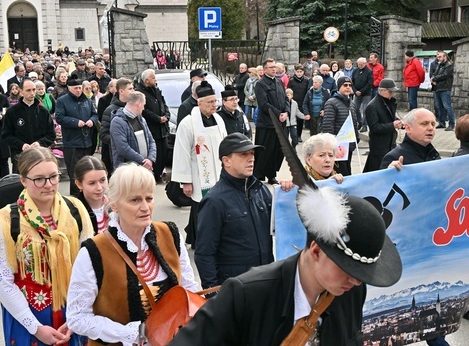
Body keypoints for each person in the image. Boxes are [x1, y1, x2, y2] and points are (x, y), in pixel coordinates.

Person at [171, 185, 402, 345]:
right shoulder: (247, 294)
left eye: (361, 274)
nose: (356, 280)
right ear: (316, 251)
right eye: (349, 269)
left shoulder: (351, 291)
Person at [66, 163, 199, 344]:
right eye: (135, 200)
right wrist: (132, 333)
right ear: (114, 204)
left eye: (149, 198)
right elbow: (77, 317)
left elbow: (189, 289)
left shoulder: (170, 234)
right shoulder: (93, 251)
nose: (145, 207)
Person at [0, 147, 93, 346]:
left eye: (53, 176)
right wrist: (35, 327)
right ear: (23, 180)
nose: (49, 185)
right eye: (39, 179)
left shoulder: (75, 210)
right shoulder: (8, 219)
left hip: (72, 310)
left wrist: (77, 315)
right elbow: (2, 281)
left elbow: (90, 268)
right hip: (28, 316)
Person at [380, 108, 447, 346]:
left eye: (433, 123)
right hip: (408, 246)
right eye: (425, 124)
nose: (431, 128)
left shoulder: (433, 153)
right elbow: (383, 201)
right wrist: (387, 176)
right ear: (407, 128)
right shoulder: (395, 157)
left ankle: (438, 337)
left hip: (433, 240)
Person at [195, 133, 293, 290]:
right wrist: (214, 296)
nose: (251, 158)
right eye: (243, 154)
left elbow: (285, 228)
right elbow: (204, 254)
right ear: (226, 161)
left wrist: (289, 195)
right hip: (236, 289)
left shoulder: (261, 191)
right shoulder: (214, 201)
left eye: (252, 153)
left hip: (266, 282)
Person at [171, 81, 227, 247]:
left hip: (219, 171)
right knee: (201, 206)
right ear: (199, 102)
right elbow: (181, 153)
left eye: (215, 101)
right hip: (198, 173)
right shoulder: (188, 123)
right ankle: (201, 240)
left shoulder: (218, 119)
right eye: (210, 102)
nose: (214, 105)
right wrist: (186, 181)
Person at [2, 79, 56, 173]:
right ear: (21, 91)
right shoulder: (12, 112)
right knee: (20, 184)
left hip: (41, 155)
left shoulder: (43, 111)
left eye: (34, 90)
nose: (32, 93)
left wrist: (40, 143)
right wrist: (21, 145)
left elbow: (51, 135)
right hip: (20, 155)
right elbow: (6, 135)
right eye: (28, 90)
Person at [55, 78, 98, 194]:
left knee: (87, 171)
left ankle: (87, 196)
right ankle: (75, 198)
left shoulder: (87, 100)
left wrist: (92, 121)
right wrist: (75, 122)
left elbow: (95, 114)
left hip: (87, 140)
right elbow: (59, 117)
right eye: (76, 88)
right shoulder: (62, 101)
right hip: (72, 142)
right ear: (69, 88)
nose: (78, 90)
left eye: (80, 88)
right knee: (74, 173)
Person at [253, 58, 289, 185]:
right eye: (271, 67)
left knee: (277, 151)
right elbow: (263, 104)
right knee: (265, 151)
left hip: (280, 123)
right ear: (264, 70)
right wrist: (278, 113)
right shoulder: (260, 84)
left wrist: (286, 112)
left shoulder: (279, 82)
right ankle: (258, 175)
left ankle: (271, 174)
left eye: (275, 67)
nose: (274, 69)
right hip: (267, 124)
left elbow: (285, 99)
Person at [135, 69, 170, 183]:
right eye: (153, 78)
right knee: (155, 154)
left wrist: (166, 115)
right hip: (152, 128)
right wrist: (158, 118)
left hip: (162, 129)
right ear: (146, 80)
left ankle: (160, 174)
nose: (155, 80)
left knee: (164, 153)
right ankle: (153, 176)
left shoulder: (156, 90)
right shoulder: (140, 92)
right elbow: (144, 111)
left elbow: (163, 104)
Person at [322, 76, 359, 176]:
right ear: (339, 87)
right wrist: (332, 145)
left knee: (347, 172)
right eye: (345, 85)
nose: (348, 87)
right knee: (340, 175)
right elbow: (327, 126)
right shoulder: (331, 103)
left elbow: (354, 122)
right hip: (338, 146)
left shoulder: (351, 104)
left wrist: (356, 139)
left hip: (349, 145)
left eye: (350, 85)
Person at [110, 91, 156, 170]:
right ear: (138, 103)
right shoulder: (117, 122)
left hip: (143, 168)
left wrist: (150, 159)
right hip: (127, 171)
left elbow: (151, 141)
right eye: (143, 105)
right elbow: (123, 148)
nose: (143, 108)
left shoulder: (141, 120)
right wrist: (143, 161)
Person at [363, 78, 402, 173]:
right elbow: (374, 127)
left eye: (393, 92)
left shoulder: (390, 102)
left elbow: (390, 117)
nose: (392, 94)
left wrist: (398, 122)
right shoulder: (372, 106)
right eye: (390, 92)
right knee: (377, 171)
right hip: (379, 147)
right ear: (381, 91)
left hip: (390, 143)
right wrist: (392, 125)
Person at [100, 77, 134, 175]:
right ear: (121, 91)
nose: (133, 91)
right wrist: (119, 141)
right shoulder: (110, 110)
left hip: (132, 155)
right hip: (115, 157)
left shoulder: (134, 108)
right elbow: (103, 134)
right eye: (130, 89)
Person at [74, 155, 109, 235]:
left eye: (102, 180)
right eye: (92, 183)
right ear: (79, 184)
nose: (99, 188)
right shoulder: (75, 211)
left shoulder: (114, 205)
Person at [431, 51, 455, 131]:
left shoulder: (449, 65)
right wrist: (433, 78)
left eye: (440, 56)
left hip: (445, 88)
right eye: (437, 57)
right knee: (439, 106)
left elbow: (445, 75)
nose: (438, 58)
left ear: (445, 57)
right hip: (437, 88)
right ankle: (442, 123)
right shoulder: (439, 64)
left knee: (447, 106)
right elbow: (435, 73)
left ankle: (451, 124)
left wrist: (435, 78)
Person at [288, 64, 310, 143]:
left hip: (302, 101)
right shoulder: (291, 80)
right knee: (294, 119)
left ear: (303, 72)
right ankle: (293, 135)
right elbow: (289, 91)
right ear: (295, 72)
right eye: (298, 72)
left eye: (301, 72)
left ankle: (299, 135)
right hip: (294, 102)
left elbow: (308, 91)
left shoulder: (306, 80)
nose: (299, 73)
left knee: (300, 119)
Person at [351, 57, 373, 133]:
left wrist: (361, 91)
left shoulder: (369, 71)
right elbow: (352, 82)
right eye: (358, 64)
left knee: (365, 110)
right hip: (356, 93)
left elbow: (369, 84)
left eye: (361, 64)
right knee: (355, 108)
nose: (359, 65)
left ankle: (364, 125)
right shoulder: (355, 71)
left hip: (366, 94)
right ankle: (359, 122)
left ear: (365, 63)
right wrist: (355, 91)